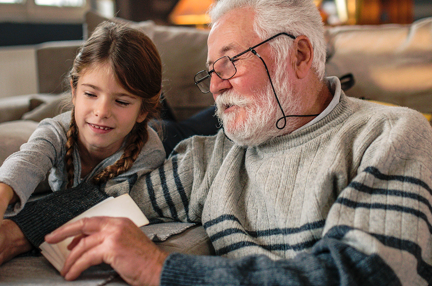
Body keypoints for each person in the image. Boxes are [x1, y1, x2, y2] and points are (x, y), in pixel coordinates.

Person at [3, 0, 432, 285]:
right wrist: (15, 234)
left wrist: (163, 269)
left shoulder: (391, 133)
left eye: (228, 62)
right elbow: (111, 196)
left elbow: (367, 273)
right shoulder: (210, 156)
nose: (215, 85)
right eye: (210, 71)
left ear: (299, 55)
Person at [0, 21, 166, 260]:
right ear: (74, 90)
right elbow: (29, 160)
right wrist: (4, 191)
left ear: (143, 110)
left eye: (121, 101)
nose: (101, 111)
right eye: (90, 94)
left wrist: (15, 233)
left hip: (148, 131)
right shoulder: (56, 129)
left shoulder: (150, 154)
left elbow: (98, 201)